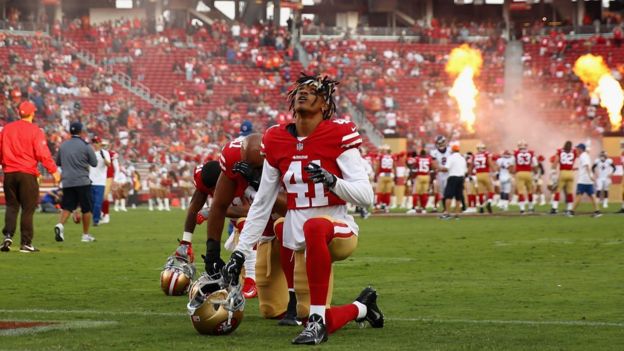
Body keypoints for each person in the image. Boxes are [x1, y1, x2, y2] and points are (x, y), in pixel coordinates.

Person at [220, 74, 383, 345]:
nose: (303, 94)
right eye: (300, 90)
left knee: (314, 226)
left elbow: (366, 196)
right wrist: (239, 252)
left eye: (313, 91)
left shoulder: (338, 133)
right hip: (297, 240)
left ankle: (317, 325)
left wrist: (333, 182)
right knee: (275, 309)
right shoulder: (275, 138)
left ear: (325, 105)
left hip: (335, 227)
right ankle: (362, 307)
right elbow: (262, 202)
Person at [0, 100, 61, 253]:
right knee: (28, 208)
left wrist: (5, 165)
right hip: (27, 173)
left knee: (12, 206)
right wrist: (53, 171)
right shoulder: (35, 130)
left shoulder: (6, 129)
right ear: (33, 113)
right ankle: (26, 243)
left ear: (18, 113)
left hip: (9, 173)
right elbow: (42, 153)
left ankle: (8, 236)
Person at [53, 122, 98, 243]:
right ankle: (85, 235)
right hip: (82, 181)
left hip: (67, 181)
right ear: (81, 131)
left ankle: (60, 225)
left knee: (67, 207)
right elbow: (94, 163)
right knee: (86, 209)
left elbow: (58, 162)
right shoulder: (85, 145)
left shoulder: (63, 146)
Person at [572, 143, 601, 217]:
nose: (576, 150)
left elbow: (587, 166)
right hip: (588, 180)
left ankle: (571, 211)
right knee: (592, 195)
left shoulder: (583, 156)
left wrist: (590, 175)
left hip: (583, 180)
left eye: (577, 148)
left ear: (580, 149)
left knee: (579, 195)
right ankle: (597, 211)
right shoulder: (586, 155)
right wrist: (576, 168)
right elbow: (584, 166)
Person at [440, 144, 467, 219]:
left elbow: (446, 168)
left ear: (452, 150)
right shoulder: (462, 158)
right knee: (458, 197)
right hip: (461, 178)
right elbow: (465, 170)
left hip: (453, 177)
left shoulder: (451, 157)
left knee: (448, 196)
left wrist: (439, 169)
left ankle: (447, 213)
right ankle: (457, 214)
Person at [88, 136, 111, 226]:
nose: (95, 144)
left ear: (100, 144)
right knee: (91, 203)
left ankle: (96, 220)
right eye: (93, 142)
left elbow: (108, 164)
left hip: (100, 182)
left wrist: (103, 157)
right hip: (90, 181)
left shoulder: (105, 153)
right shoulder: (90, 153)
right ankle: (99, 214)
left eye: (96, 142)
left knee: (97, 202)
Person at [550, 141, 577, 215]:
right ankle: (569, 208)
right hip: (571, 173)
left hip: (563, 172)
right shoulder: (574, 151)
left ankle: (554, 208)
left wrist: (553, 171)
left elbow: (555, 163)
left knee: (558, 190)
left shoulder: (560, 151)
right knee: (570, 192)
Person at [514, 140, 538, 214]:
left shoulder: (516, 153)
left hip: (519, 173)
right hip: (528, 173)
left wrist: (513, 172)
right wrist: (536, 173)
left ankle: (522, 209)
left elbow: (512, 164)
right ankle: (530, 207)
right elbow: (535, 165)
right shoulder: (531, 153)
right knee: (530, 191)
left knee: (521, 191)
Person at [406, 149, 432, 214]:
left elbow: (412, 166)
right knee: (424, 193)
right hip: (426, 176)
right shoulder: (429, 158)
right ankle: (423, 209)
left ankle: (414, 208)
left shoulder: (417, 158)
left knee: (415, 193)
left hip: (419, 176)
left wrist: (411, 175)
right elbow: (431, 167)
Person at [431, 135, 452, 212]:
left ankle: (448, 208)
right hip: (440, 173)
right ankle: (445, 209)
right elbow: (433, 164)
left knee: (448, 191)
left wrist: (447, 168)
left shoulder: (450, 150)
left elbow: (453, 161)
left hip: (449, 173)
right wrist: (441, 168)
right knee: (442, 192)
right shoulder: (434, 152)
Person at [473, 143, 496, 214]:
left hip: (478, 174)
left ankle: (481, 207)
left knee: (480, 192)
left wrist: (469, 173)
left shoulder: (474, 156)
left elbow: (471, 166)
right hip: (485, 174)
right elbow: (490, 163)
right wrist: (495, 170)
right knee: (491, 190)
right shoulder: (486, 154)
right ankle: (489, 202)